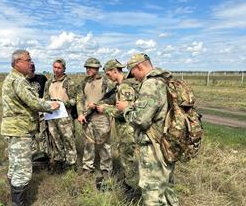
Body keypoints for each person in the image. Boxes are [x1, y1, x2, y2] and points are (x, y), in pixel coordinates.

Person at [116, 53, 179, 206]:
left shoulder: (150, 84)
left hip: (153, 147)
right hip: (166, 142)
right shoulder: (165, 80)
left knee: (152, 192)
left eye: (133, 72)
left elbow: (141, 120)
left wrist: (126, 109)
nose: (134, 77)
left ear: (139, 67)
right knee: (167, 189)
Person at [1, 49, 60, 206]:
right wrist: (52, 105)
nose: (31, 63)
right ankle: (19, 203)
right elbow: (34, 102)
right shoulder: (19, 81)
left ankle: (14, 199)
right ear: (17, 62)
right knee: (23, 170)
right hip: (20, 130)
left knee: (15, 166)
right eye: (28, 60)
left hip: (14, 129)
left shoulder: (12, 78)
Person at [95, 59, 139, 195]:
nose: (108, 77)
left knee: (128, 158)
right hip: (124, 128)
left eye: (108, 74)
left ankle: (132, 187)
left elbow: (124, 112)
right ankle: (129, 181)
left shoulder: (124, 87)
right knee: (125, 156)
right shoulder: (120, 86)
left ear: (115, 71)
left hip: (128, 128)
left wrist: (105, 109)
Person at [77, 57, 113, 186]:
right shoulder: (84, 82)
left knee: (104, 144)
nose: (88, 70)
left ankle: (106, 170)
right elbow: (79, 99)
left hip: (101, 117)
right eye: (86, 67)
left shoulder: (106, 82)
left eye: (90, 68)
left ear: (97, 68)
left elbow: (112, 99)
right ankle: (88, 167)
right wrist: (80, 113)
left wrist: (98, 105)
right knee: (88, 143)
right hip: (87, 117)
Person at [43, 58, 77, 172]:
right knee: (55, 140)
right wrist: (49, 104)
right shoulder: (48, 82)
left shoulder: (69, 82)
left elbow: (74, 100)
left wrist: (63, 103)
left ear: (64, 69)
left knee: (68, 140)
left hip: (65, 117)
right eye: (55, 67)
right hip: (52, 117)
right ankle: (59, 161)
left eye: (59, 68)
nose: (56, 70)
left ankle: (71, 164)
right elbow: (45, 98)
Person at [26, 61, 50, 167]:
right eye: (29, 68)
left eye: (32, 68)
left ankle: (45, 155)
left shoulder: (41, 78)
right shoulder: (23, 81)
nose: (31, 70)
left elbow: (47, 91)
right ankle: (33, 155)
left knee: (43, 133)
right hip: (29, 111)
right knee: (31, 133)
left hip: (41, 110)